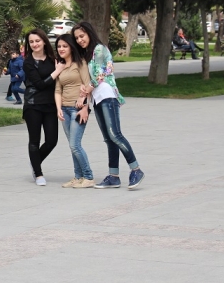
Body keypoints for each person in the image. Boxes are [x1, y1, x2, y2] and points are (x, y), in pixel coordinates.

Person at [73, 21, 144, 190]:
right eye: (76, 38)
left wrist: (84, 92)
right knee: (108, 138)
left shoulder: (99, 48)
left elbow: (99, 75)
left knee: (115, 134)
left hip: (106, 95)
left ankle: (136, 170)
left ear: (89, 33)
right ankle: (113, 176)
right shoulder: (89, 54)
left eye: (81, 36)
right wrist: (87, 91)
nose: (79, 40)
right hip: (97, 98)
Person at [23, 28, 65, 186]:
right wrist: (57, 71)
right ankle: (38, 173)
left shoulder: (53, 58)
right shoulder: (28, 62)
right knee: (34, 140)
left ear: (44, 41)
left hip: (51, 105)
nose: (35, 44)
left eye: (37, 41)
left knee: (52, 140)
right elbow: (39, 85)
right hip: (33, 105)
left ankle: (35, 162)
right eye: (31, 42)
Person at [54, 33, 95, 188]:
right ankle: (78, 177)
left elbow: (87, 84)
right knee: (72, 145)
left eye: (65, 46)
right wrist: (58, 108)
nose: (61, 49)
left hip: (78, 109)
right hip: (64, 109)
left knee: (75, 144)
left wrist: (85, 107)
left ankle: (89, 177)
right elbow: (58, 90)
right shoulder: (60, 65)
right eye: (59, 46)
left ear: (71, 47)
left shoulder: (81, 63)